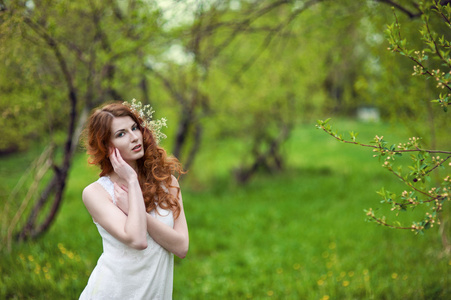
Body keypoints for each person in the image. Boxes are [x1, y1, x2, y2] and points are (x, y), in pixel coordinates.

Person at [79, 101, 188, 300]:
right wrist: (131, 180)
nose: (134, 137)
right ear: (106, 145)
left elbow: (181, 247)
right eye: (121, 134)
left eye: (134, 128)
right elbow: (137, 240)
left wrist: (133, 210)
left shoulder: (168, 183)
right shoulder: (97, 193)